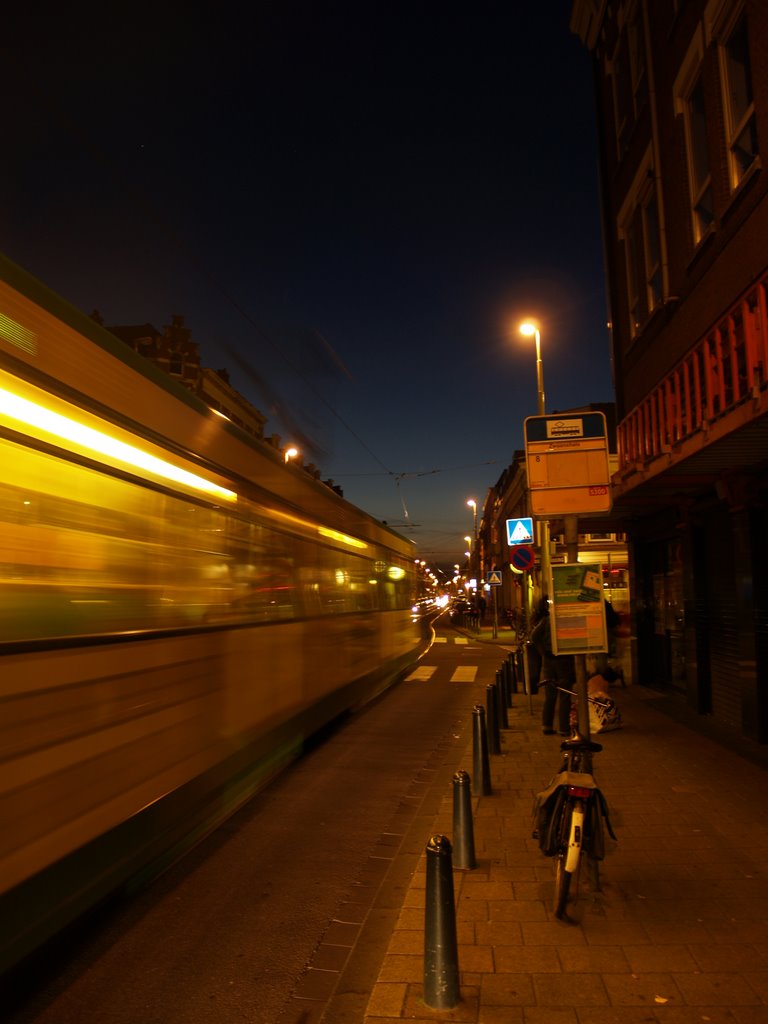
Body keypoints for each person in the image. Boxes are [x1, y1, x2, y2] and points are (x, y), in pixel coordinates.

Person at [530, 596, 574, 736]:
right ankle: (564, 728)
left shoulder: (547, 620)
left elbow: (534, 636)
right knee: (565, 694)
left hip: (549, 659)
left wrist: (542, 651)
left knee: (550, 694)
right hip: (564, 659)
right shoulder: (567, 620)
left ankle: (547, 725)